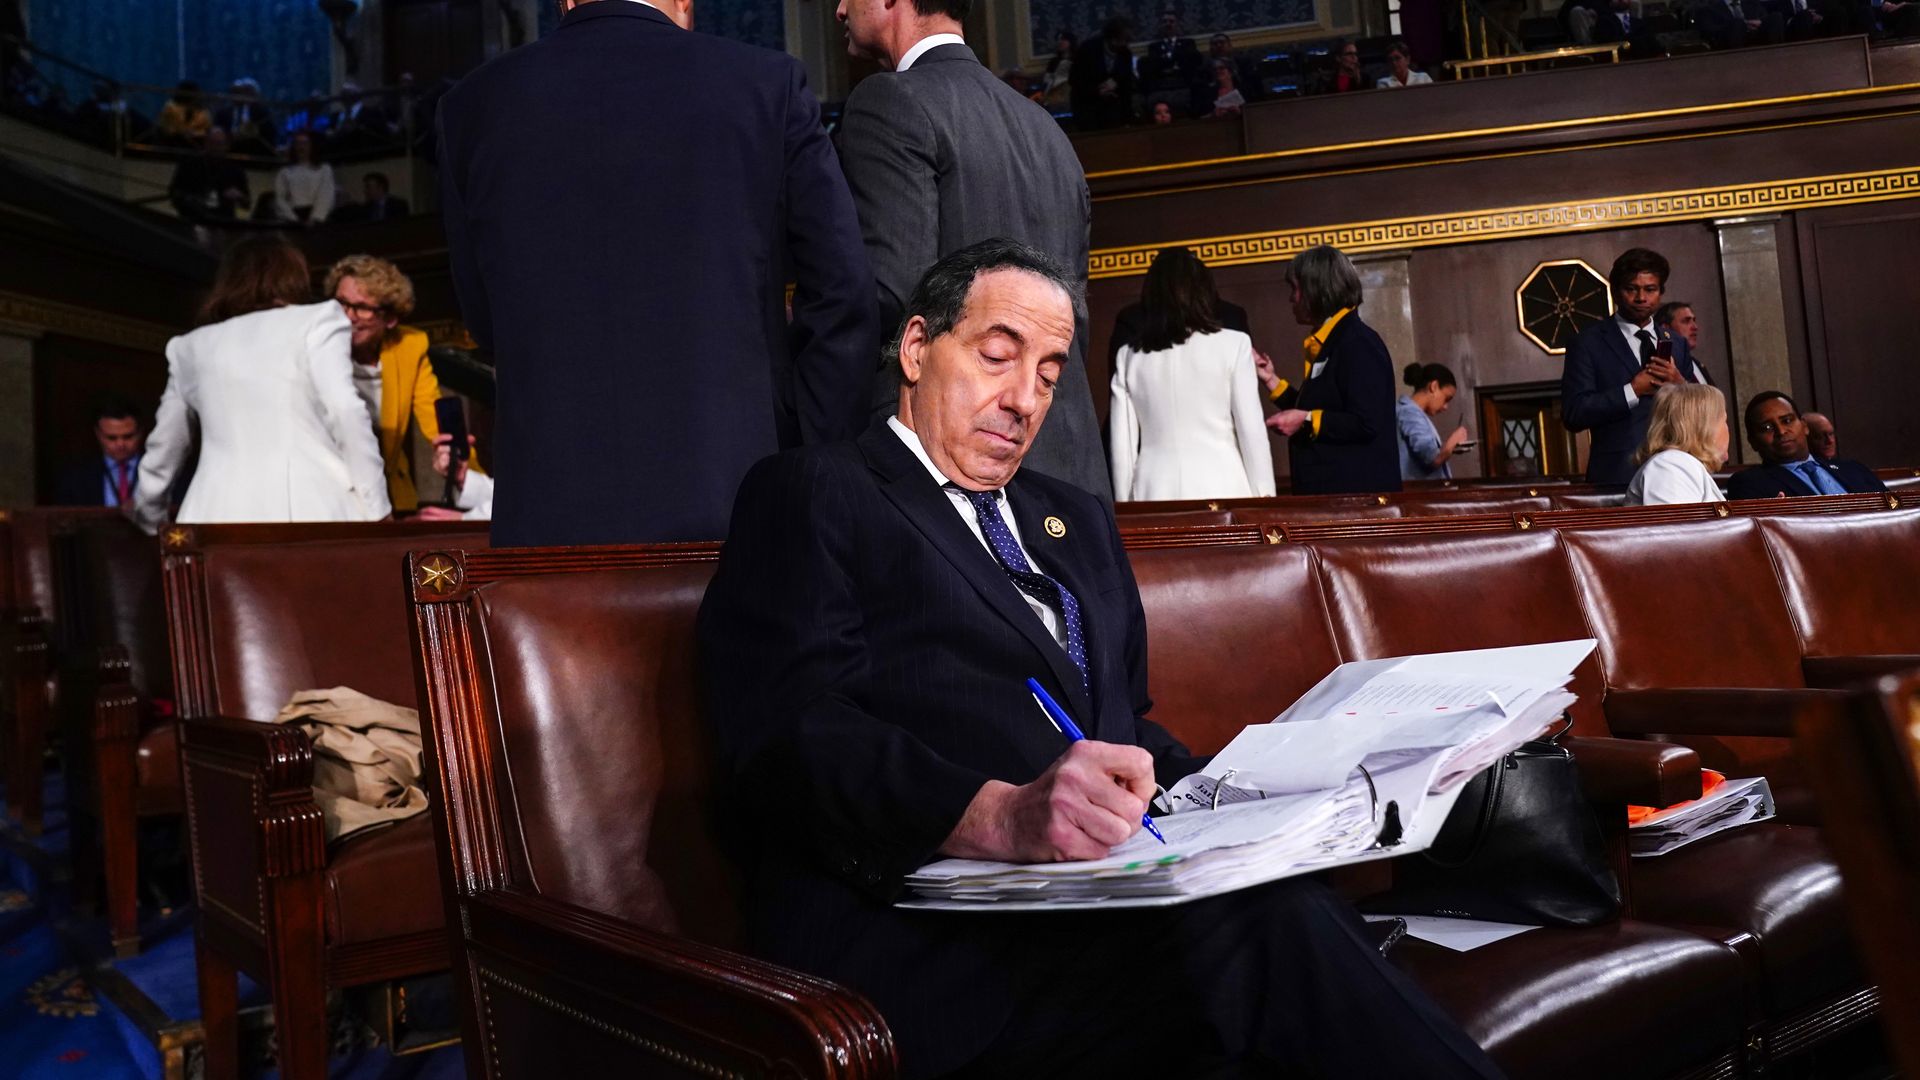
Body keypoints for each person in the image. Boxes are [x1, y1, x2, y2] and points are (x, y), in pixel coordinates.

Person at [696, 239, 1503, 1080]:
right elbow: (790, 734)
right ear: (913, 348)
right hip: (940, 942)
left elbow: (1122, 724)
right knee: (1261, 929)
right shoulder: (818, 491)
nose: (1022, 400)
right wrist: (996, 813)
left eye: (1048, 376)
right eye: (997, 356)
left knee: (1276, 904)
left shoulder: (1072, 517)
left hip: (1108, 908)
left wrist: (1260, 792)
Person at [437, 0, 876, 547]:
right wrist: (812, 451)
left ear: (566, 2)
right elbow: (843, 294)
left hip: (549, 509)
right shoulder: (765, 84)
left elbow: (482, 317)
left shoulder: (472, 105)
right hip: (737, 493)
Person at [838, 0, 1111, 501]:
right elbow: (1073, 324)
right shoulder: (1048, 130)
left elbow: (893, 301)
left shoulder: (888, 101)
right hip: (1066, 475)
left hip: (947, 477)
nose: (838, 10)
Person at [130, 236, 389, 534]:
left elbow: (165, 445)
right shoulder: (318, 320)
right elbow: (345, 412)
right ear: (294, 276)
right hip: (310, 512)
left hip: (212, 516)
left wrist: (148, 518)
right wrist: (377, 511)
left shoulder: (190, 346)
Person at [1107, 247, 1274, 501]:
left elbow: (1123, 446)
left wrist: (1124, 505)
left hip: (1153, 491)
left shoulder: (1129, 356)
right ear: (1205, 290)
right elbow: (1251, 432)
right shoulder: (1235, 345)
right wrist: (1265, 497)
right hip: (1225, 486)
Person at [1560, 247, 1706, 485]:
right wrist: (1633, 391)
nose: (1641, 298)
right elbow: (1574, 413)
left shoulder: (1676, 343)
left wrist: (1679, 384)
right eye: (1631, 289)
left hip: (1678, 472)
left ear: (1660, 293)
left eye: (1650, 290)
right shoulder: (1587, 342)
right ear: (1615, 292)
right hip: (1617, 475)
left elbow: (1701, 414)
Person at [1264, 246, 1401, 494]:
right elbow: (1323, 410)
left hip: (1354, 504)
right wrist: (1271, 380)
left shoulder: (1358, 342)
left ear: (1317, 289)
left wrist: (1305, 420)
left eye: (1295, 288)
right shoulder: (1336, 340)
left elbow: (1366, 422)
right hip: (1337, 499)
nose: (1291, 298)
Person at [324, 255, 444, 514]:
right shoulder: (317, 346)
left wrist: (479, 489)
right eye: (342, 303)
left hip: (390, 494)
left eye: (362, 307)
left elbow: (437, 421)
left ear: (390, 319)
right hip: (329, 495)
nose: (347, 316)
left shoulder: (409, 346)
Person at [1725, 391, 1887, 498]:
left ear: (1805, 426)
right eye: (1766, 428)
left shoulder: (1854, 469)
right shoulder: (1749, 484)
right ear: (1753, 442)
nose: (1781, 431)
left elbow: (1895, 513)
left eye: (1787, 421)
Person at [1625, 384, 1730, 505]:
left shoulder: (1678, 464)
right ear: (1705, 428)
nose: (1727, 429)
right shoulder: (1671, 466)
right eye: (1724, 420)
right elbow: (1675, 524)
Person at [53, 399, 144, 507]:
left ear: (140, 432)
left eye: (128, 437)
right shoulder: (76, 477)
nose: (120, 444)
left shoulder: (162, 469)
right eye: (111, 438)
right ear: (98, 434)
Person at [1397, 362, 1471, 481]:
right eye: (1446, 399)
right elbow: (1432, 458)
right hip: (1419, 495)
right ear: (1434, 386)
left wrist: (1451, 447)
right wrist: (1452, 442)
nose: (1446, 406)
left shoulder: (1412, 413)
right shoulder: (1410, 413)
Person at [167, 127, 249, 222]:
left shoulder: (235, 170)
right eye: (211, 143)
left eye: (219, 144)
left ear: (227, 146)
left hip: (223, 223)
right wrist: (189, 199)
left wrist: (239, 196)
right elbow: (173, 192)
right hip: (191, 220)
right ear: (205, 144)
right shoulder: (189, 164)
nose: (215, 148)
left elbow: (246, 204)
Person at [1070, 18, 1138, 130]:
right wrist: (1098, 91)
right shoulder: (1088, 49)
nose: (1126, 43)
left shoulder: (1125, 54)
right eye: (1124, 39)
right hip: (1087, 103)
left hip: (1113, 105)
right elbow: (1074, 80)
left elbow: (1126, 84)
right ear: (1112, 38)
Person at [1138, 8, 1201, 115]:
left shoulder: (1188, 43)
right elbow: (1154, 66)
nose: (1168, 24)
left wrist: (1166, 63)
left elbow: (1190, 63)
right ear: (1160, 25)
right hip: (1161, 85)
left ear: (1177, 24)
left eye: (1171, 21)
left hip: (1183, 83)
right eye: (1165, 22)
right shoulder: (1153, 47)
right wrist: (1175, 63)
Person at [273, 131, 336, 225]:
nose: (301, 147)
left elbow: (326, 194)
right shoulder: (285, 172)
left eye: (305, 143)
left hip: (319, 218)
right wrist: (294, 219)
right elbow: (280, 199)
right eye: (297, 143)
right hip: (293, 218)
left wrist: (315, 218)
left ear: (312, 146)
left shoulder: (324, 169)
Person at [153, 81, 210, 145]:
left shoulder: (203, 112)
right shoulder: (171, 107)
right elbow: (166, 128)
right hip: (173, 140)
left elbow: (206, 130)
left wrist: (193, 133)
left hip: (194, 142)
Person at [339, 171, 410, 223]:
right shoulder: (366, 208)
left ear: (380, 187)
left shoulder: (398, 205)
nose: (365, 191)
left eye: (368, 187)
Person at [1040, 28, 1074, 111]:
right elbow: (1047, 79)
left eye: (1063, 39)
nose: (1060, 42)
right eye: (1059, 40)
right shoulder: (1054, 61)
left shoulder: (1077, 60)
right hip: (1052, 93)